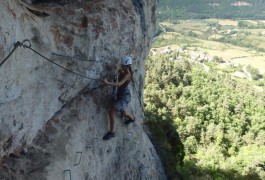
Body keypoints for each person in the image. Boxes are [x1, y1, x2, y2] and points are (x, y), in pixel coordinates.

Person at [102, 56, 135, 140]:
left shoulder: (128, 74)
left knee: (111, 112)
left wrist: (108, 83)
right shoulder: (124, 70)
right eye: (122, 65)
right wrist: (121, 71)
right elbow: (120, 78)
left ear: (127, 66)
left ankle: (112, 132)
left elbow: (119, 84)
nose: (122, 66)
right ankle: (132, 118)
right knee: (123, 113)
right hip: (121, 94)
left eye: (123, 65)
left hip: (124, 97)